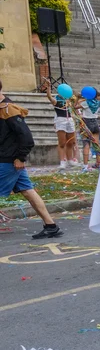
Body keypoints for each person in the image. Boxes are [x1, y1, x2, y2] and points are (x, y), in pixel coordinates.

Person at [0, 82, 61, 238]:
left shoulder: (9, 110)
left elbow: (27, 138)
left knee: (28, 191)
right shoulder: (3, 109)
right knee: (28, 191)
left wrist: (21, 158)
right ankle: (50, 225)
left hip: (8, 161)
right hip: (10, 160)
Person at [53, 90, 77, 169]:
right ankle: (62, 161)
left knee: (71, 142)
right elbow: (49, 97)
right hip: (60, 120)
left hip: (69, 120)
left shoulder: (69, 100)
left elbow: (74, 107)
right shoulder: (56, 100)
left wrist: (74, 98)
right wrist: (49, 88)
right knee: (62, 143)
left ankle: (70, 160)